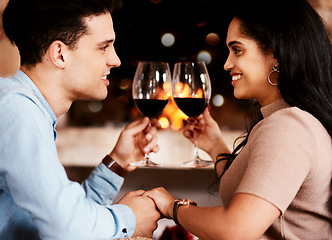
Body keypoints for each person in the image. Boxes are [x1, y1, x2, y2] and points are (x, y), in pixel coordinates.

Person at [145, 0, 332, 239]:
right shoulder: (288, 121)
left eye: (237, 50)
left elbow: (236, 229)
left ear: (275, 53)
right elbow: (259, 186)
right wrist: (215, 147)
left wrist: (172, 206)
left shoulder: (288, 127)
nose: (226, 64)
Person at [0, 0, 161, 239]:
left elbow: (65, 216)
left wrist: (117, 162)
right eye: (104, 47)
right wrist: (130, 217)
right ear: (60, 54)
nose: (115, 60)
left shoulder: (25, 108)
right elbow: (67, 229)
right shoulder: (17, 110)